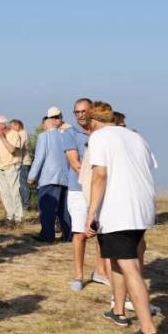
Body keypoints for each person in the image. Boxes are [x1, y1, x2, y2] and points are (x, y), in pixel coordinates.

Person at [84, 101, 162, 334]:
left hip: (119, 211)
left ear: (94, 122)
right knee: (117, 259)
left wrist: (91, 213)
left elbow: (100, 175)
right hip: (141, 208)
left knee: (130, 268)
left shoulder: (99, 138)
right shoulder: (135, 137)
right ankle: (118, 311)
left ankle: (148, 330)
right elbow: (149, 168)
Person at [62, 98, 106, 291]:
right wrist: (95, 179)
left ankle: (100, 271)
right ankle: (78, 275)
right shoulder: (70, 133)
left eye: (83, 111)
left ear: (92, 111)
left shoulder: (102, 132)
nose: (80, 115)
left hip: (100, 188)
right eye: (76, 112)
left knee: (103, 233)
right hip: (78, 189)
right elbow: (75, 162)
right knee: (80, 233)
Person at [27, 107, 73, 244]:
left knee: (47, 209)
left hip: (48, 177)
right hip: (64, 177)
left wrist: (32, 176)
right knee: (63, 210)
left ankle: (48, 236)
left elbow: (39, 157)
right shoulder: (65, 136)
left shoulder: (44, 136)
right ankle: (68, 235)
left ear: (48, 122)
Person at [0, 115, 26, 224]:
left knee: (14, 191)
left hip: (12, 165)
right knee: (4, 193)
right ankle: (9, 215)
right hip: (1, 167)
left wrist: (3, 138)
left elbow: (12, 150)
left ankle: (18, 217)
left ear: (4, 124)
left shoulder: (14, 135)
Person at [12, 119, 33, 209]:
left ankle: (26, 205)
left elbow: (19, 147)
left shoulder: (22, 134)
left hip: (24, 162)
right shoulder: (21, 133)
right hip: (22, 162)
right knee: (22, 184)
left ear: (17, 125)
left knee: (23, 183)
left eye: (12, 126)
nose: (11, 129)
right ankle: (24, 204)